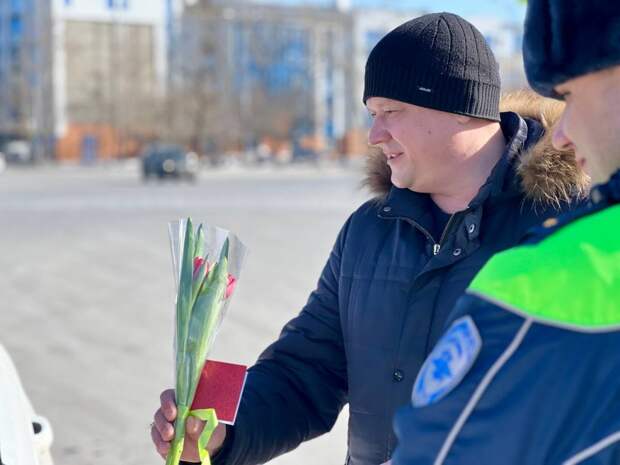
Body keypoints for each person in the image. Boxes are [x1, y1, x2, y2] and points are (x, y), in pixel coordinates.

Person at [151, 13, 586, 465]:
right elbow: (304, 374)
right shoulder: (369, 232)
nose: (376, 135)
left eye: (391, 112)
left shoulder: (566, 228)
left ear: (461, 107)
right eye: (372, 115)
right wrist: (224, 431)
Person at [391, 2, 620, 465]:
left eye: (571, 96)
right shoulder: (371, 228)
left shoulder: (555, 275)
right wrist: (232, 426)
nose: (562, 133)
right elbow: (309, 363)